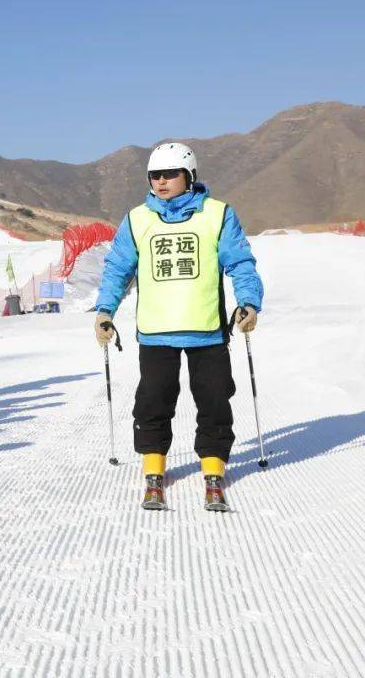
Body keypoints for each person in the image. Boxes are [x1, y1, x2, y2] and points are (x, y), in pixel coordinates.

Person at [93, 142, 264, 511]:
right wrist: (104, 310)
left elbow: (240, 262)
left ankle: (213, 471)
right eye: (155, 175)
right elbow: (118, 268)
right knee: (152, 402)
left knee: (215, 400)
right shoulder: (138, 219)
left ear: (190, 176)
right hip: (156, 332)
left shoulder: (218, 214)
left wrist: (248, 302)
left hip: (207, 329)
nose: (161, 181)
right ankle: (154, 471)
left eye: (170, 173)